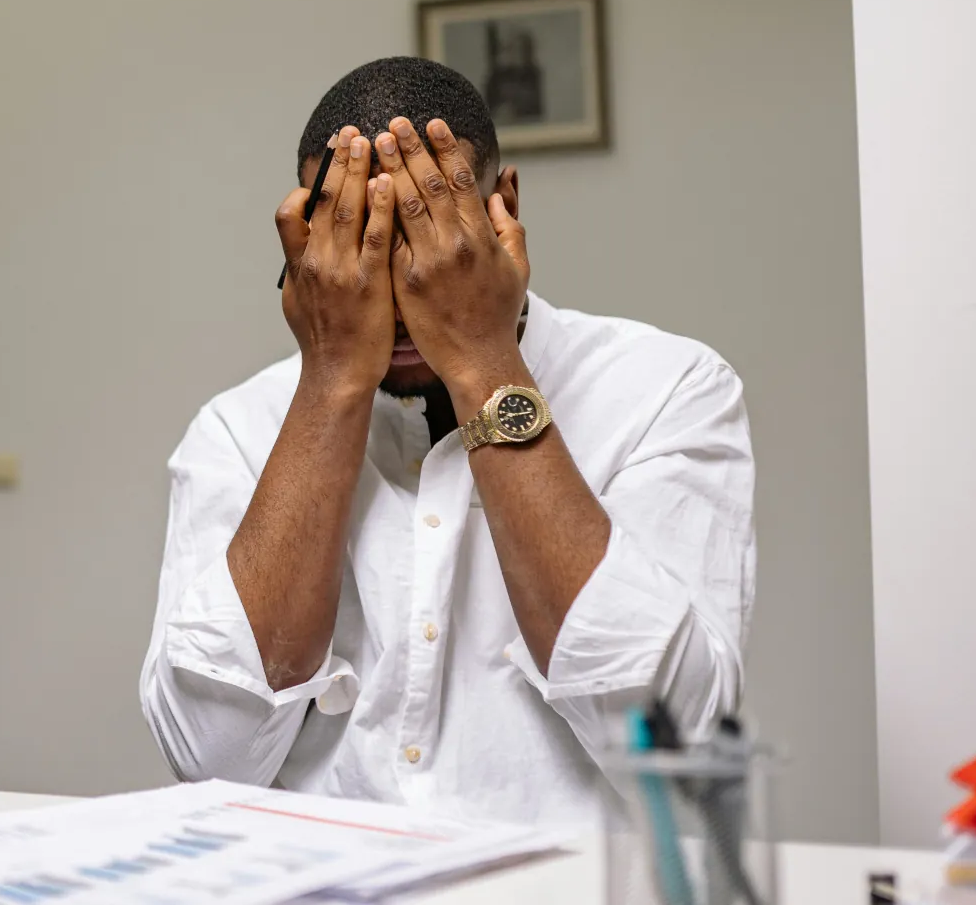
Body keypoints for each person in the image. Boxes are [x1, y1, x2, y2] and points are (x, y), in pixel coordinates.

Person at [138, 57, 754, 826]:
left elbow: (674, 741)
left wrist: (481, 358)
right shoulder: (236, 429)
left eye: (426, 231)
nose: (390, 284)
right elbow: (208, 757)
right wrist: (331, 381)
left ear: (503, 210)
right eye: (349, 232)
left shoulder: (667, 387)